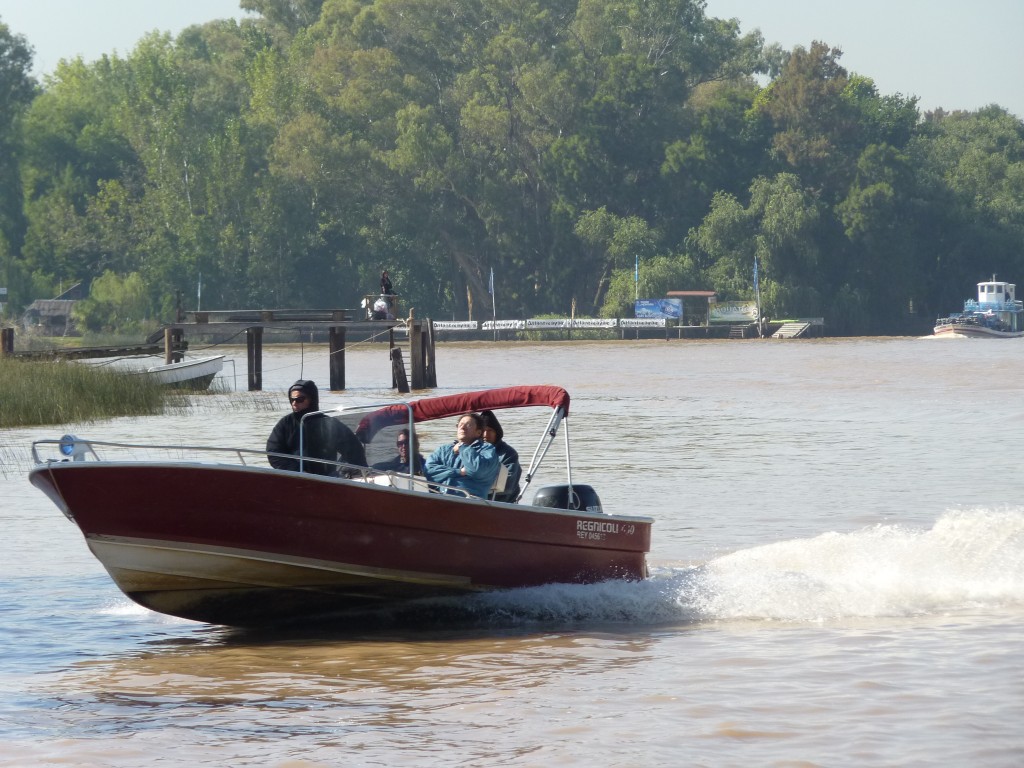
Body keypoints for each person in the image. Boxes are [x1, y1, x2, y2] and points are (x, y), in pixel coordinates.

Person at [266, 379, 367, 476]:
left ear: (312, 399)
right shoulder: (285, 423)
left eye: (300, 399)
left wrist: (360, 472)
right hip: (294, 477)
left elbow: (354, 450)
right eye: (292, 399)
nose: (294, 403)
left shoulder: (330, 424)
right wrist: (297, 471)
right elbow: (273, 452)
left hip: (326, 479)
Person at [423, 412, 500, 498]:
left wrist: (462, 447)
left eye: (468, 425)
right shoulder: (444, 450)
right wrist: (459, 472)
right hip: (440, 498)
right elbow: (428, 471)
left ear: (478, 432)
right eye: (460, 424)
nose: (462, 427)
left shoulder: (487, 449)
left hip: (471, 502)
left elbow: (476, 470)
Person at [479, 409, 522, 502]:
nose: (486, 434)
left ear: (497, 432)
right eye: (483, 430)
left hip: (502, 502)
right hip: (471, 498)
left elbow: (507, 484)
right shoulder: (469, 449)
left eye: (490, 430)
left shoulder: (508, 453)